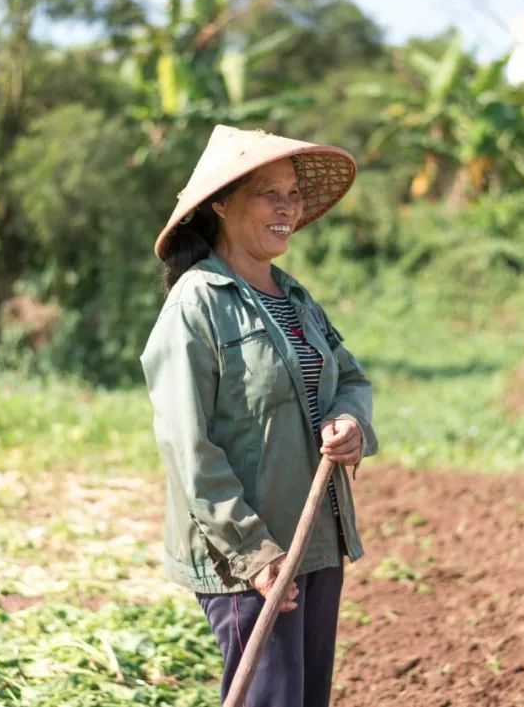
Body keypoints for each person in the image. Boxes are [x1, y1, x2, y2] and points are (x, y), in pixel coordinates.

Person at [139, 124, 378, 707]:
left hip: (316, 540)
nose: (287, 208)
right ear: (221, 203)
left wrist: (351, 424)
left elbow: (347, 379)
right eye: (268, 193)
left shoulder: (294, 298)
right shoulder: (195, 305)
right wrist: (253, 553)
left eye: (293, 194)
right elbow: (187, 446)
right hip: (249, 558)